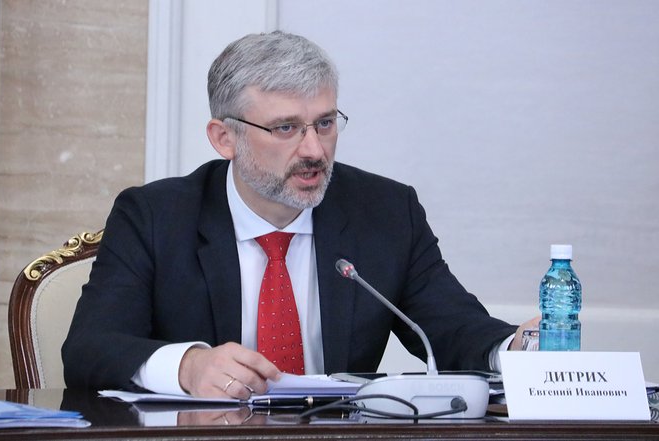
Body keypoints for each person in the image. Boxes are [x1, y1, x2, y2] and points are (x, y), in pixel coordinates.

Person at [62, 31, 537, 399]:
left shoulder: (386, 212)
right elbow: (90, 347)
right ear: (224, 138)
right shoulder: (154, 217)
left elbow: (451, 327)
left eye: (325, 123)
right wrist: (188, 366)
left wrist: (517, 350)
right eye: (286, 128)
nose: (314, 150)